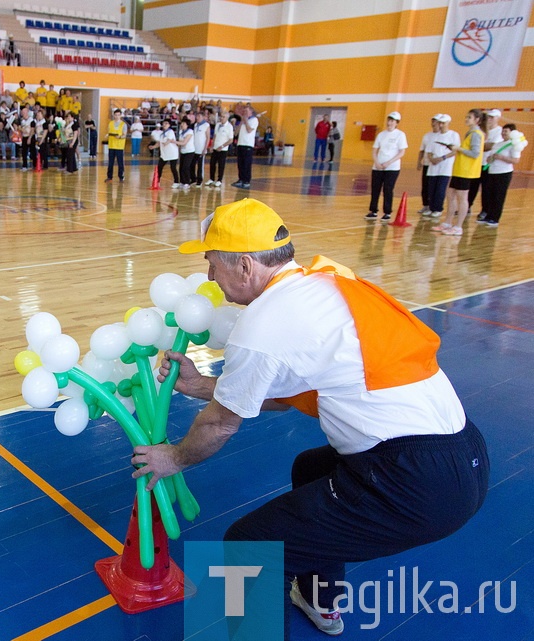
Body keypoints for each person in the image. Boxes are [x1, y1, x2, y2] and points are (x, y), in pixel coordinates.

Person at [131, 198, 488, 640]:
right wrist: (202, 384)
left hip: (415, 483)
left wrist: (174, 459)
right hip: (465, 455)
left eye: (212, 264)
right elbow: (281, 395)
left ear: (243, 266)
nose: (209, 277)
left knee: (249, 548)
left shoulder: (263, 325)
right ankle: (322, 600)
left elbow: (220, 424)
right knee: (310, 467)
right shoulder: (326, 282)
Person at [432, 109, 484, 236]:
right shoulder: (470, 133)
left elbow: (475, 153)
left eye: (469, 117)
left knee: (462, 197)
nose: (466, 119)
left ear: (477, 120)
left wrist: (457, 148)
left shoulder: (476, 134)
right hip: (459, 169)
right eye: (466, 117)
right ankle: (447, 222)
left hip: (467, 171)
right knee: (450, 194)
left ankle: (458, 226)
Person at [478, 123, 524, 228]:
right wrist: (490, 159)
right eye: (503, 131)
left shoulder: (513, 145)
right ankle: (488, 215)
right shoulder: (498, 144)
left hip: (503, 173)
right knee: (489, 194)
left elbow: (516, 160)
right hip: (492, 171)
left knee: (498, 196)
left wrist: (501, 157)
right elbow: (490, 157)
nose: (503, 133)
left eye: (506, 131)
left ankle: (495, 218)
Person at [366, 111, 407, 221]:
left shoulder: (400, 135)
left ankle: (387, 212)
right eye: (388, 120)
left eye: (392, 121)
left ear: (396, 122)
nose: (389, 123)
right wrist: (377, 163)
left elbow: (401, 152)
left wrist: (389, 163)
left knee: (388, 189)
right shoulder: (381, 134)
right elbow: (374, 150)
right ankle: (373, 210)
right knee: (375, 189)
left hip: (392, 168)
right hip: (378, 167)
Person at [424, 114, 458, 220]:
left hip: (445, 168)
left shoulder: (453, 135)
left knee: (440, 189)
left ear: (448, 123)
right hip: (433, 168)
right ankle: (431, 207)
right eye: (440, 123)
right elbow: (428, 151)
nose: (441, 125)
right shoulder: (434, 136)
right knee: (431, 188)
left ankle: (438, 209)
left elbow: (455, 151)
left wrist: (442, 158)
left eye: (443, 123)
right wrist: (432, 159)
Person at [416, 116, 440, 214]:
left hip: (435, 165)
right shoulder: (427, 136)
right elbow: (422, 150)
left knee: (433, 187)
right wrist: (419, 161)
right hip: (426, 164)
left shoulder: (441, 136)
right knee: (425, 186)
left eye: (436, 121)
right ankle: (425, 205)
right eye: (432, 121)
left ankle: (433, 207)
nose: (433, 123)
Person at [231, 105, 258, 189]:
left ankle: (246, 181)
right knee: (240, 164)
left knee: (246, 164)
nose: (244, 113)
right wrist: (241, 123)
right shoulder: (242, 121)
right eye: (244, 111)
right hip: (240, 144)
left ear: (251, 112)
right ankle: (240, 179)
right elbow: (235, 133)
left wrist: (245, 121)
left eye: (246, 111)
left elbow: (249, 130)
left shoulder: (254, 120)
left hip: (248, 145)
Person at [205, 110, 233, 188]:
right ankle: (211, 178)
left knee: (221, 165)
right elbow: (215, 136)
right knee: (212, 163)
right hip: (215, 148)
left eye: (223, 117)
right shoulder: (218, 125)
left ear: (227, 118)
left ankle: (219, 180)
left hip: (223, 150)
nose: (221, 118)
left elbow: (230, 140)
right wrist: (212, 146)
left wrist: (222, 146)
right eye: (221, 116)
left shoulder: (229, 127)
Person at [148, 118, 178, 187]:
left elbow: (169, 140)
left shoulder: (170, 132)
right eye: (163, 123)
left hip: (172, 153)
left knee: (173, 168)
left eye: (166, 123)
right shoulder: (162, 133)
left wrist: (166, 143)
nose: (164, 125)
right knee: (159, 167)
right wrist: (153, 146)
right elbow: (159, 142)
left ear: (169, 125)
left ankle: (176, 182)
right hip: (164, 153)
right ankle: (157, 180)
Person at [105, 109, 127, 182]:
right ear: (113, 115)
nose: (117, 116)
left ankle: (121, 176)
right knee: (110, 162)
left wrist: (120, 137)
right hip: (111, 145)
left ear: (120, 115)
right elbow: (109, 132)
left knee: (120, 162)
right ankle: (109, 177)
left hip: (119, 146)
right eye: (115, 115)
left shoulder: (123, 124)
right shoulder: (110, 123)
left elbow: (125, 135)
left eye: (118, 115)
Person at [176, 117, 196, 189]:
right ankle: (182, 181)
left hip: (189, 151)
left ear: (187, 125)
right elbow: (180, 142)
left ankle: (187, 182)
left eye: (184, 123)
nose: (182, 125)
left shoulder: (190, 131)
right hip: (183, 152)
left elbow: (184, 142)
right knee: (181, 167)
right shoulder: (181, 132)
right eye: (182, 123)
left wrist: (174, 141)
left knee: (186, 167)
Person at [192, 111, 210, 186]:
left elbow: (208, 137)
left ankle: (200, 179)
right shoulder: (195, 125)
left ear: (203, 117)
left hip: (201, 149)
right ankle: (193, 178)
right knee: (192, 164)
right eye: (197, 116)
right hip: (194, 148)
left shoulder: (206, 125)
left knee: (200, 166)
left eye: (199, 116)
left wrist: (205, 148)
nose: (197, 118)